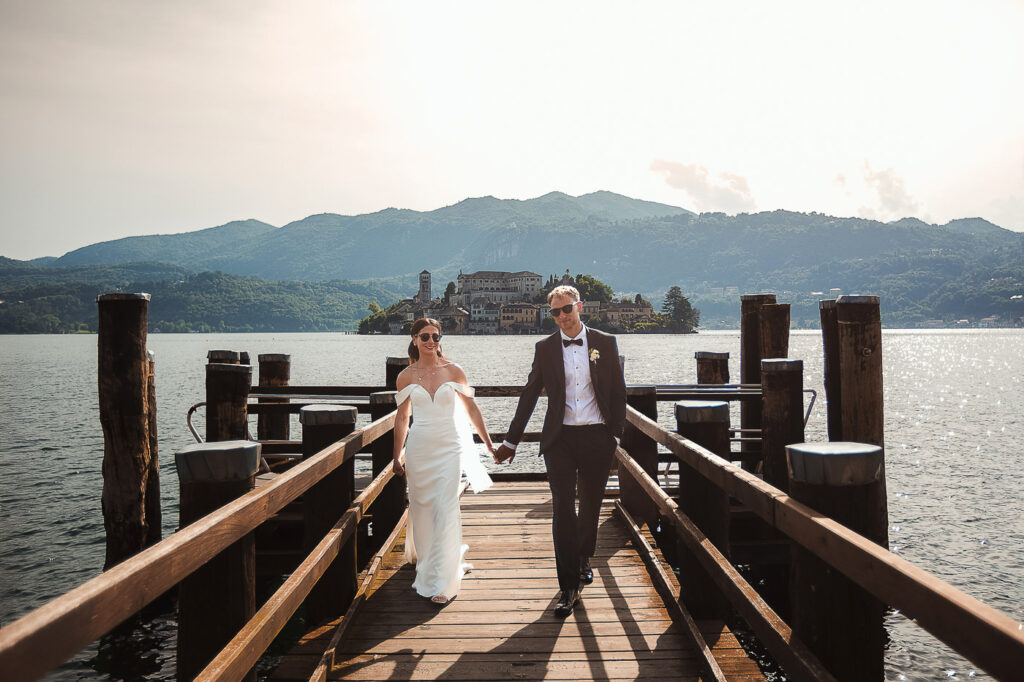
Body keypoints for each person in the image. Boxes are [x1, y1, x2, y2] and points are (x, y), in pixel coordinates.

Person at [494, 285, 627, 617]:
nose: (562, 317)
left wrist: (616, 435)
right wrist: (511, 440)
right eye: (555, 312)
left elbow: (618, 392)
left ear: (579, 306)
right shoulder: (545, 348)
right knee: (563, 509)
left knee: (592, 504)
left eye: (566, 309)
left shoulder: (605, 343)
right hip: (560, 440)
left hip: (598, 436)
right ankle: (568, 586)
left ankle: (583, 557)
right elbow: (529, 395)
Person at [393, 318, 497, 605]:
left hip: (449, 446)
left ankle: (444, 580)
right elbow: (402, 418)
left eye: (436, 336)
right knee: (422, 508)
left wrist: (487, 442)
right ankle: (427, 560)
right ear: (414, 339)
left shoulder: (455, 371)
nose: (431, 341)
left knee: (445, 506)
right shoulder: (405, 376)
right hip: (419, 447)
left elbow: (471, 409)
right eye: (425, 336)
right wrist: (396, 455)